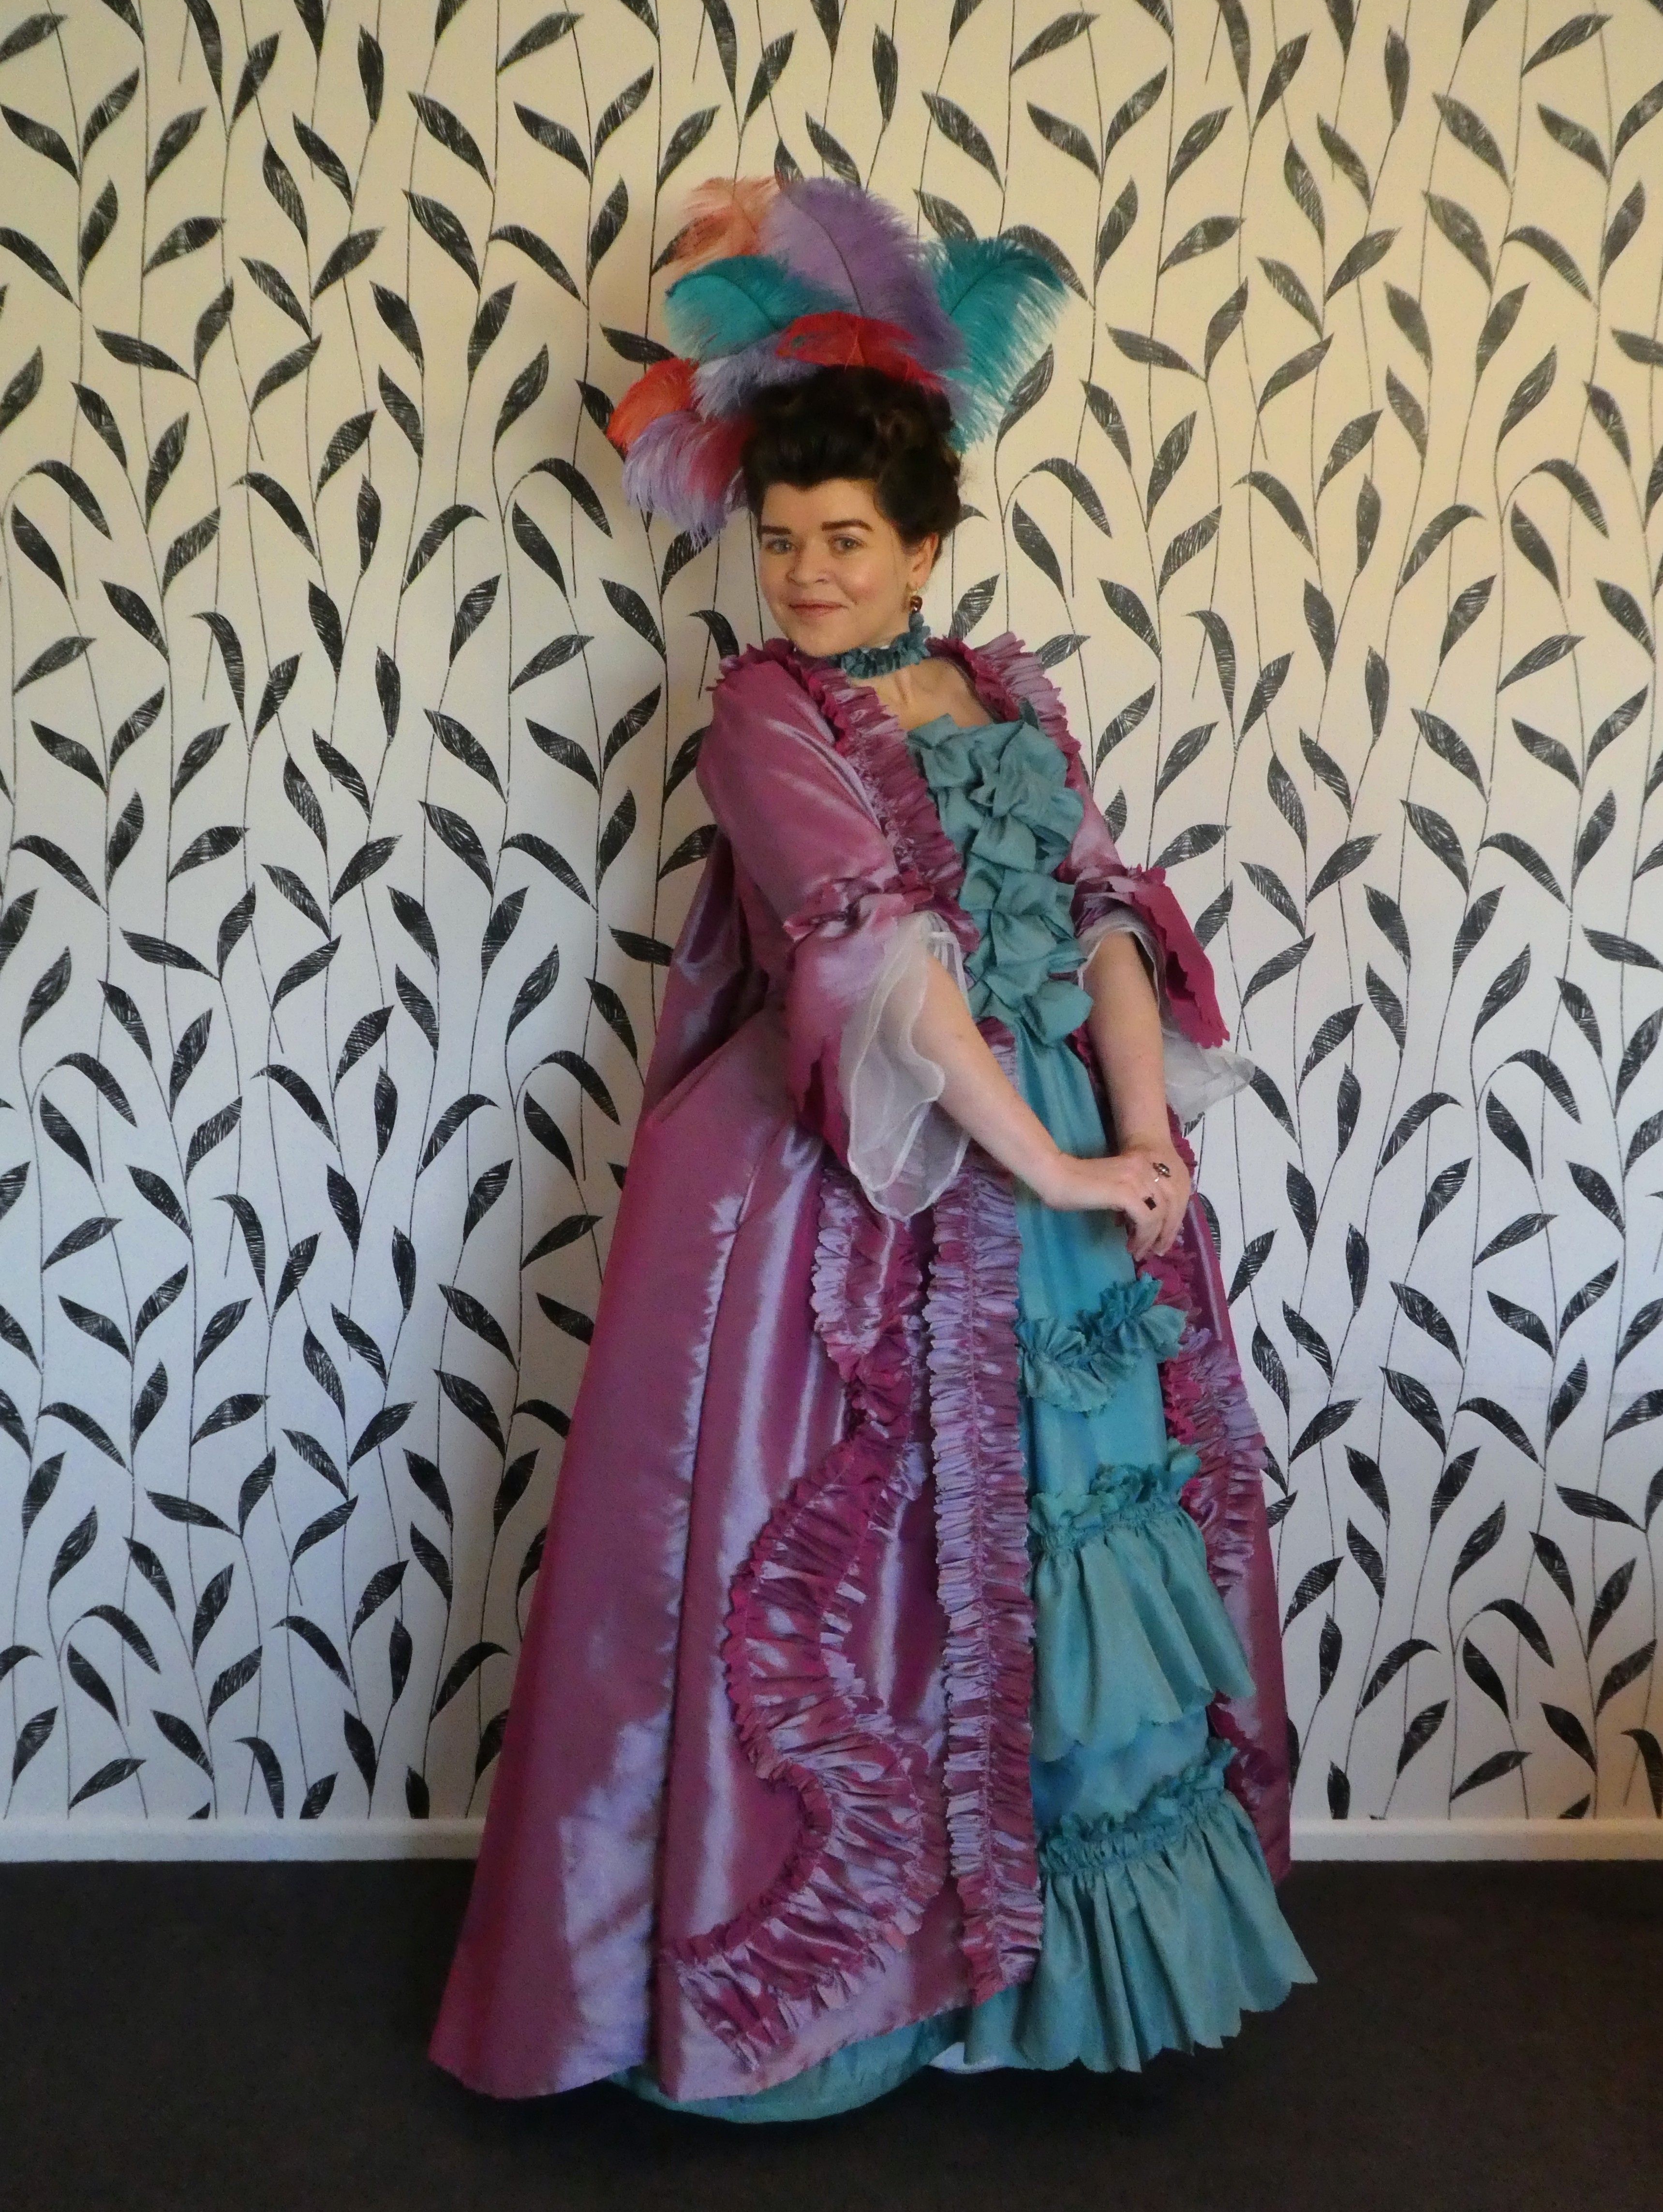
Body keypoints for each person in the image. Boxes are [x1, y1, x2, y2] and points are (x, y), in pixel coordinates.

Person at [430, 176, 1312, 2122]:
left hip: (1062, 1154)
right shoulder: (763, 713)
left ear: (926, 543)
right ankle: (872, 1991)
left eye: (844, 540)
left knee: (1071, 1545)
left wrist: (1136, 1138)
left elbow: (1100, 915)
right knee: (854, 1587)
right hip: (849, 1170)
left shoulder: (1012, 696)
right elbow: (880, 973)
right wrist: (1053, 1170)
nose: (805, 575)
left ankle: (1050, 1979)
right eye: (780, 540)